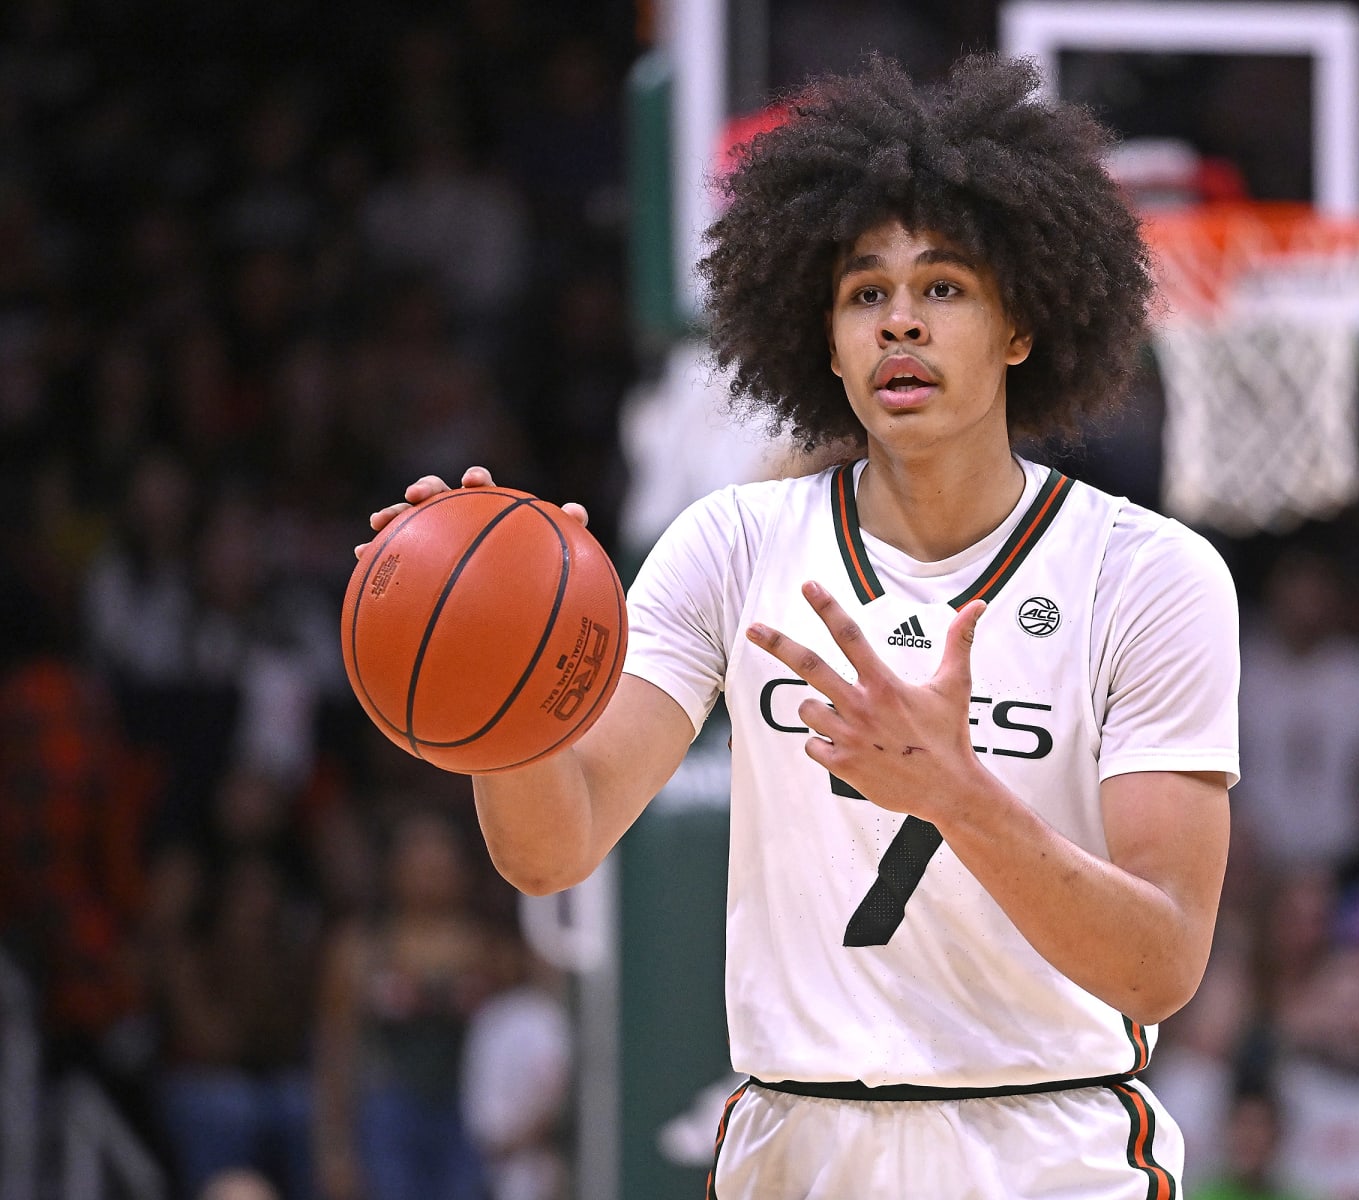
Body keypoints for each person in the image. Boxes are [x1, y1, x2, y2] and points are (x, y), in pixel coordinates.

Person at [358, 54, 1238, 1197]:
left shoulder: (1151, 575)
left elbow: (1161, 964)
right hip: (799, 1148)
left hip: (1049, 1149)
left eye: (946, 288)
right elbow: (553, 848)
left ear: (1022, 325)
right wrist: (499, 703)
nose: (900, 325)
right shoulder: (730, 545)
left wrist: (957, 794)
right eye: (865, 294)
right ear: (823, 342)